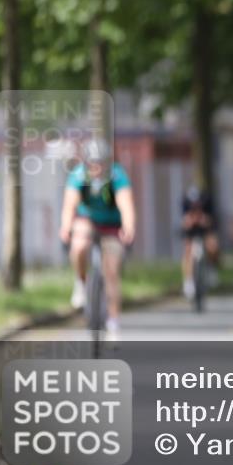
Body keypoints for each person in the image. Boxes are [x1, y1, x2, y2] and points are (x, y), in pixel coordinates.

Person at [59, 139, 136, 339]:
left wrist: (129, 226)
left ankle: (113, 322)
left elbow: (125, 202)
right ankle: (81, 281)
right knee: (79, 244)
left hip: (111, 224)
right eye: (93, 162)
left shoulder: (117, 175)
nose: (97, 167)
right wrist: (66, 226)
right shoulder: (78, 175)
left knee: (111, 271)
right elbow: (70, 204)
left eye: (101, 162)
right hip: (88, 219)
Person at [181, 184, 220, 299]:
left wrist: (205, 220)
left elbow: (212, 221)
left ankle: (212, 269)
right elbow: (184, 222)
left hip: (206, 229)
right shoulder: (185, 204)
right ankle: (188, 282)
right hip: (192, 230)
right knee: (187, 251)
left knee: (212, 245)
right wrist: (189, 221)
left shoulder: (208, 203)